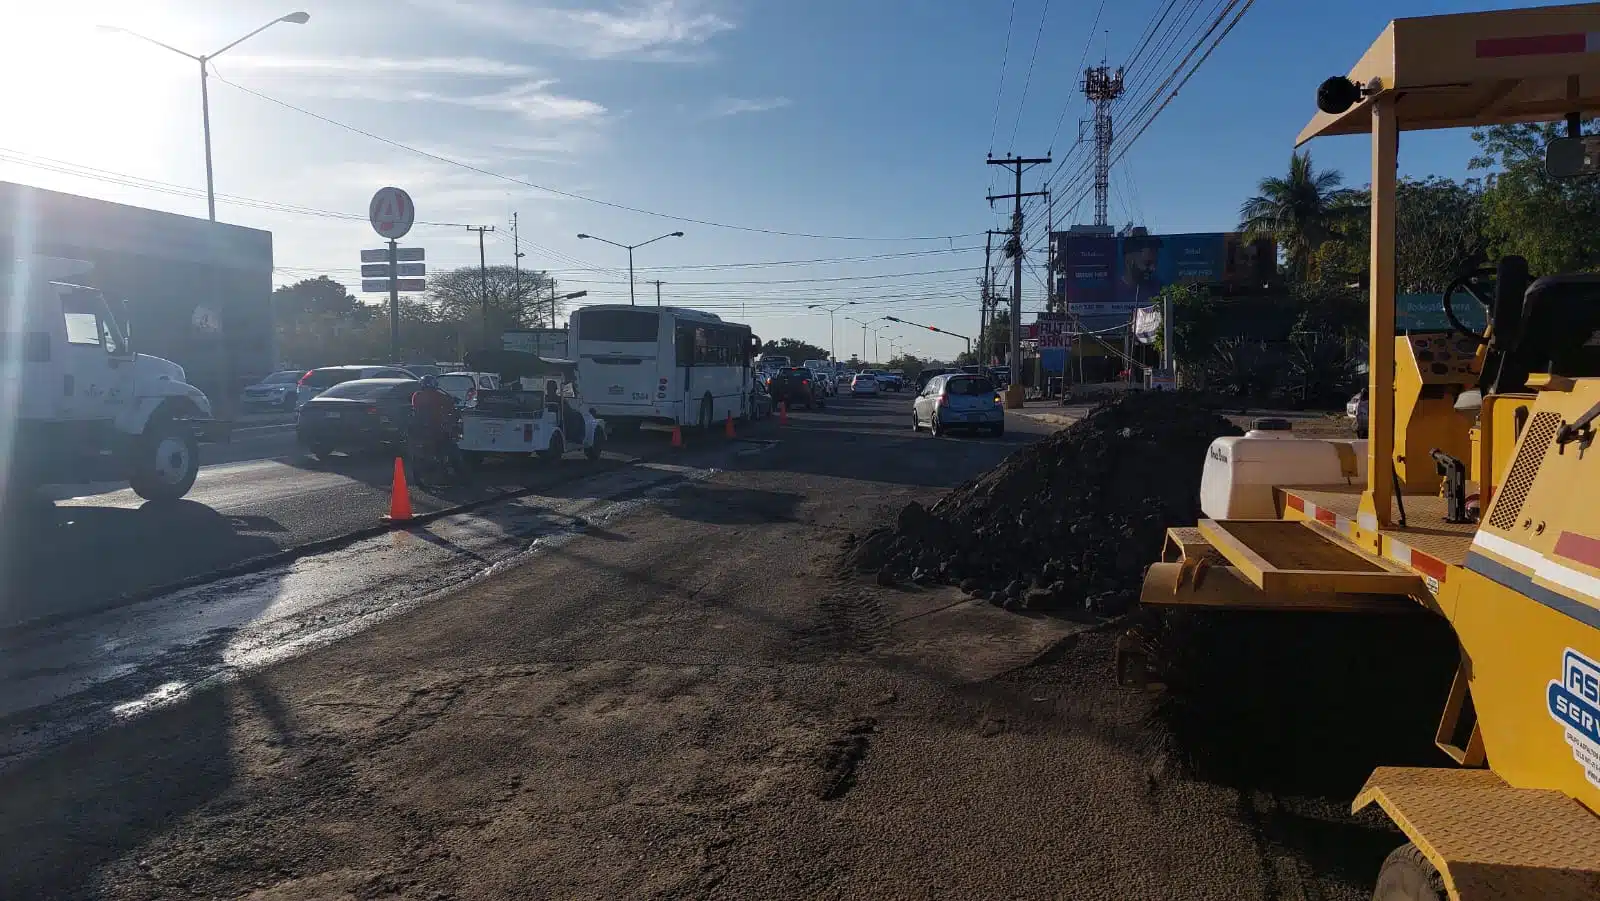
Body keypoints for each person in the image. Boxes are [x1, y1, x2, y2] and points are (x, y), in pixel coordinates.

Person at [410, 374, 464, 480]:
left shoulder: (417, 395)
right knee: (452, 447)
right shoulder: (437, 395)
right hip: (435, 427)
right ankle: (459, 473)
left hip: (421, 429)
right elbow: (449, 403)